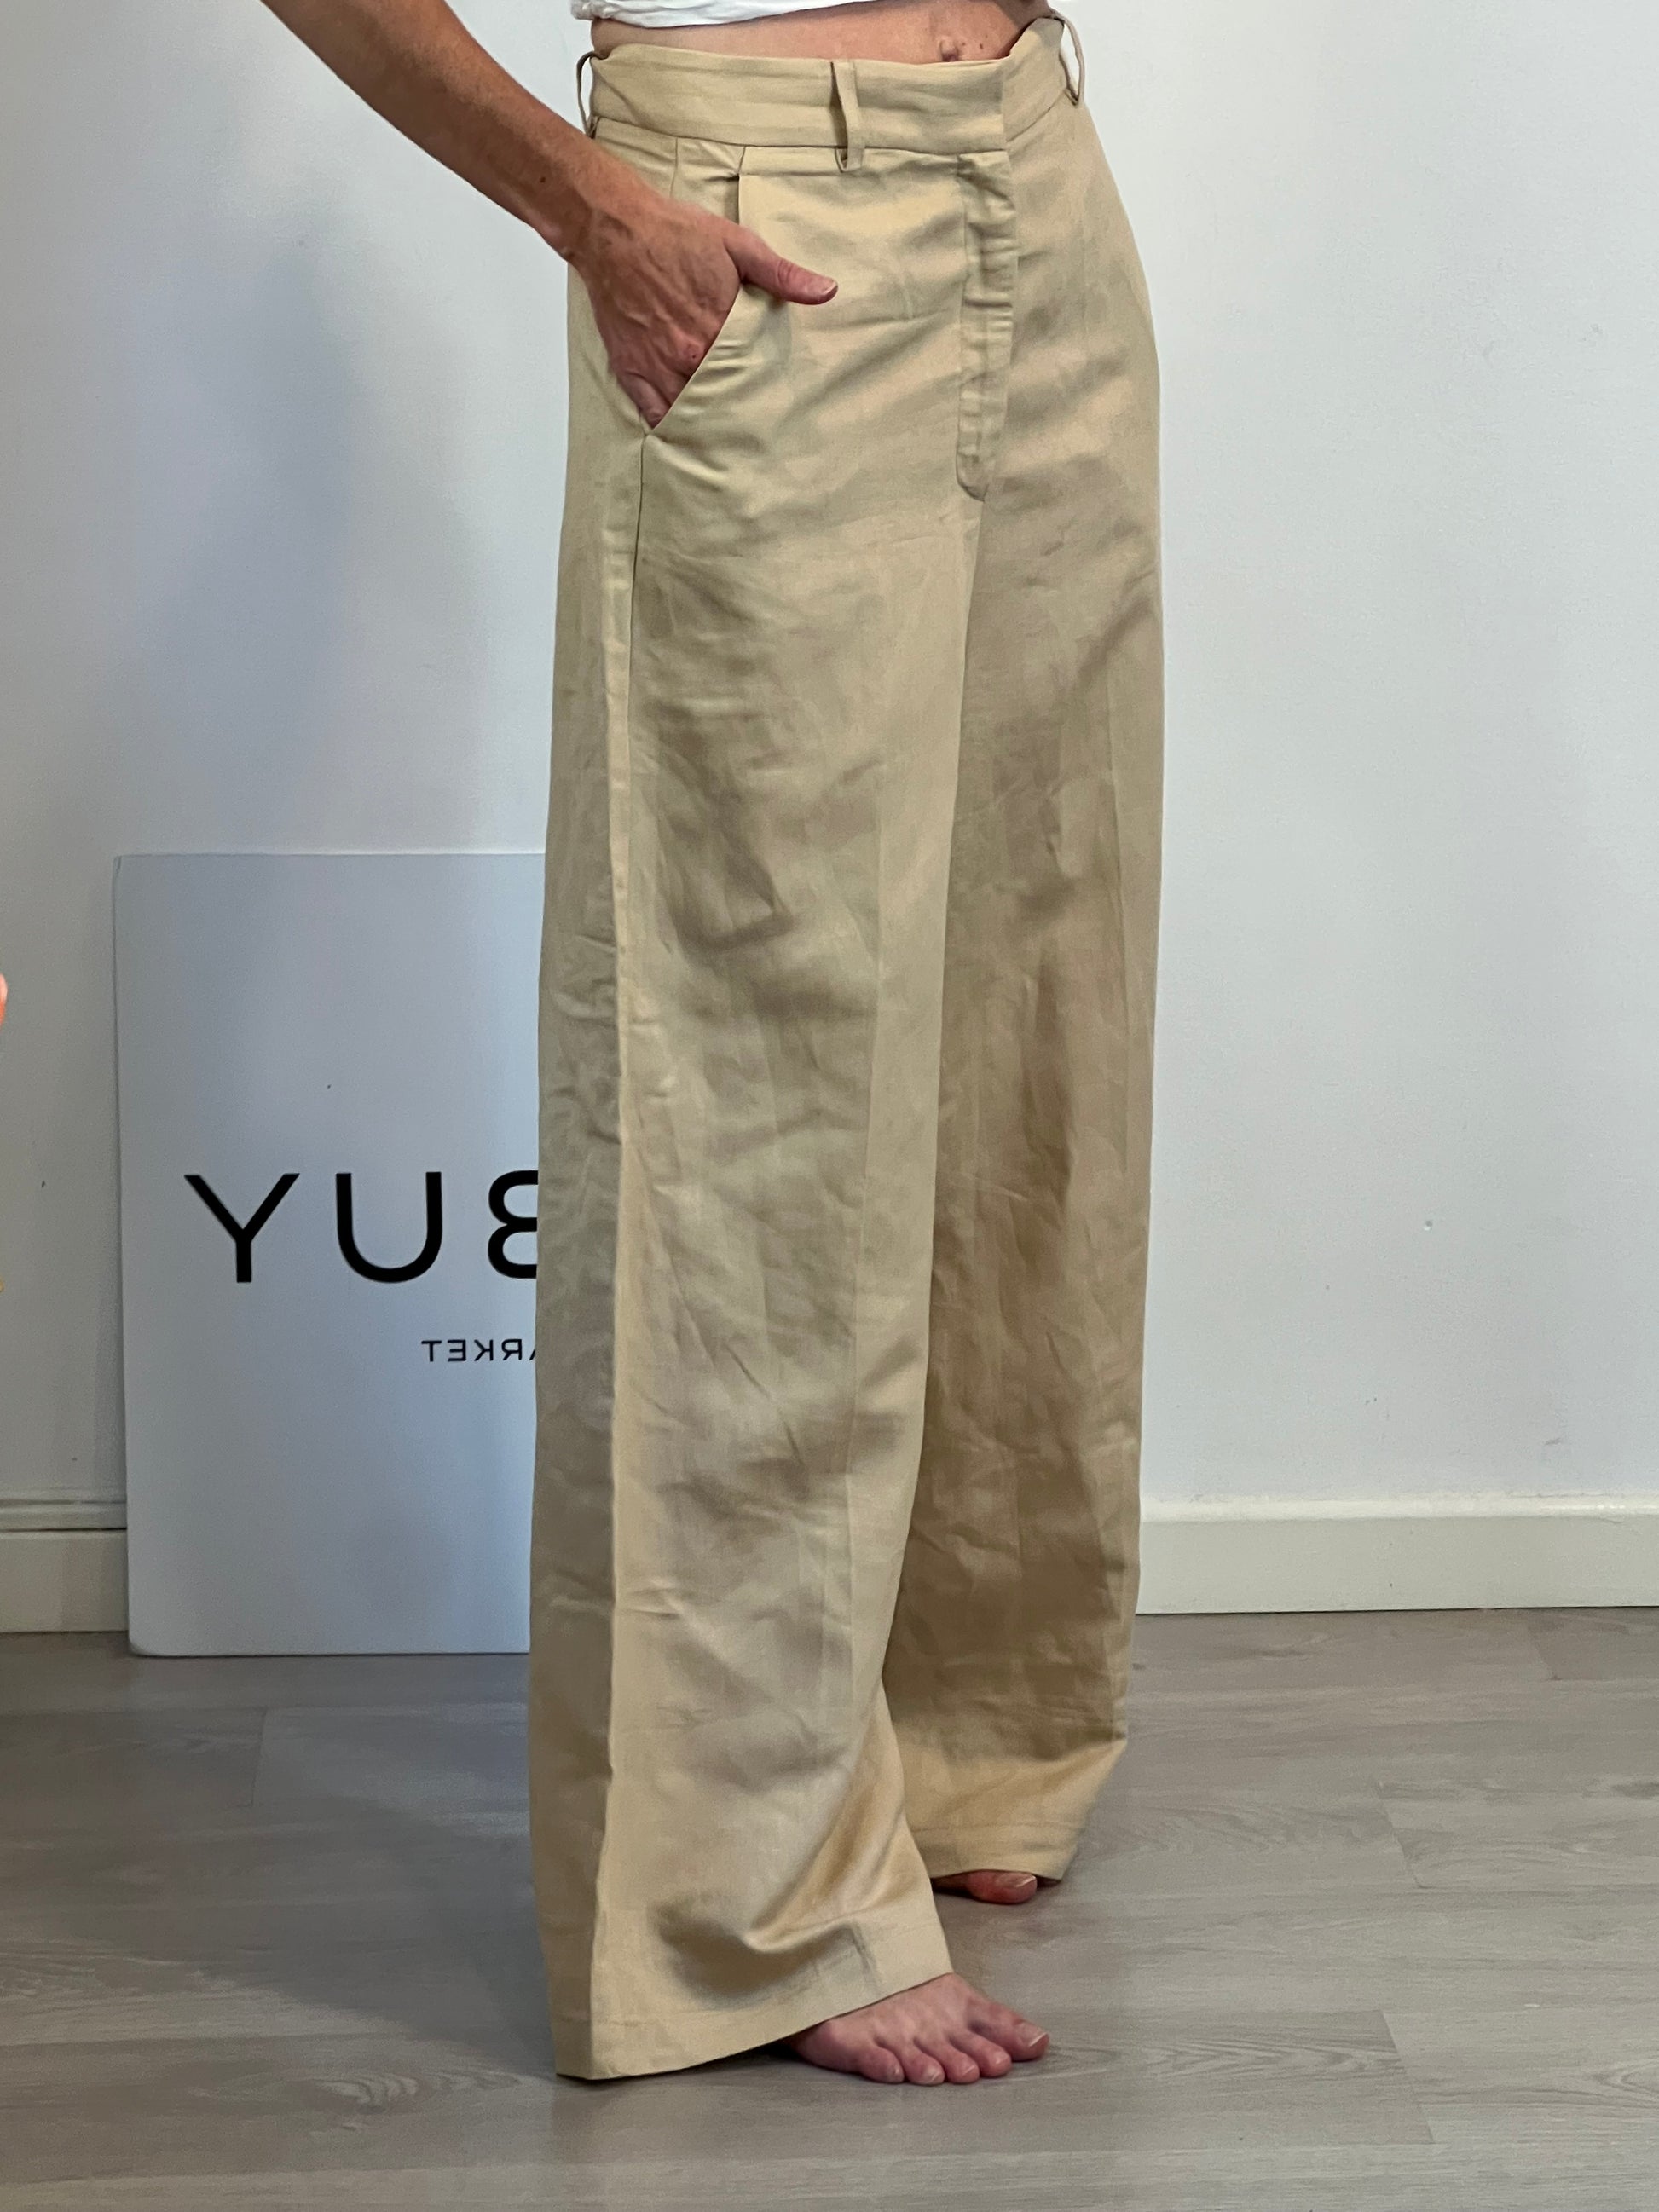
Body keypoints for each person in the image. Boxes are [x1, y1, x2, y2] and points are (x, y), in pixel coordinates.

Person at [258, 0, 1161, 2088]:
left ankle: (965, 1734)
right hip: (744, 203)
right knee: (751, 1056)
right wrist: (588, 205)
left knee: (1034, 998)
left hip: (1031, 154)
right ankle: (750, 1885)